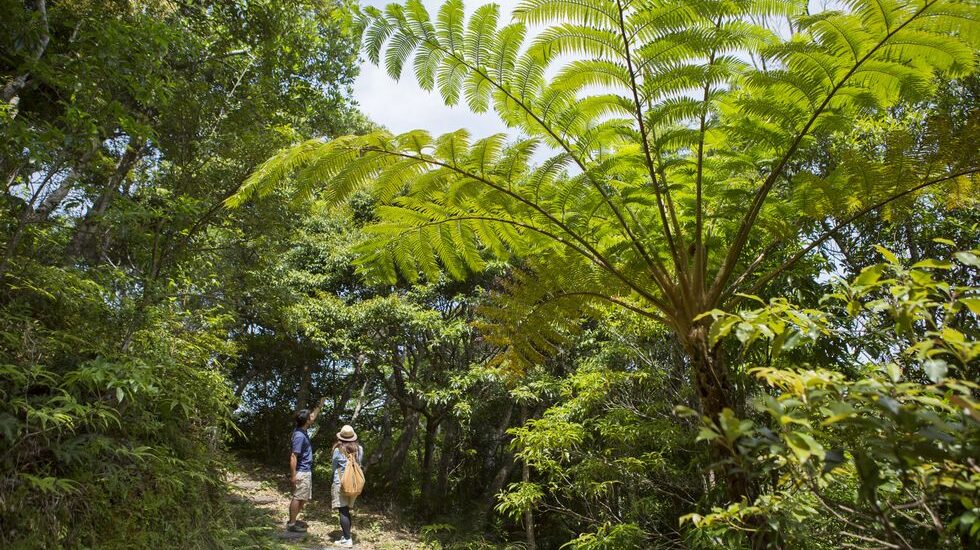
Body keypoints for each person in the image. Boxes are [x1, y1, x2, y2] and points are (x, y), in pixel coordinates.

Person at [287, 398, 325, 533]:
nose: (312, 418)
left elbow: (313, 416)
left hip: (305, 470)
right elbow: (293, 456)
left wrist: (319, 406)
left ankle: (293, 520)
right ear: (306, 421)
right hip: (301, 471)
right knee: (298, 497)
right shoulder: (299, 436)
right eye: (310, 417)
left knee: (302, 498)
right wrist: (293, 476)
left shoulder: (302, 430)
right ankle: (292, 524)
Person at [331, 424, 363, 548]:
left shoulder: (337, 449)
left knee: (343, 510)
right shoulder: (359, 449)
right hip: (355, 484)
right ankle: (345, 536)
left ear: (341, 437)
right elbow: (360, 463)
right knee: (347, 510)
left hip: (340, 483)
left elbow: (334, 467)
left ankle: (347, 539)